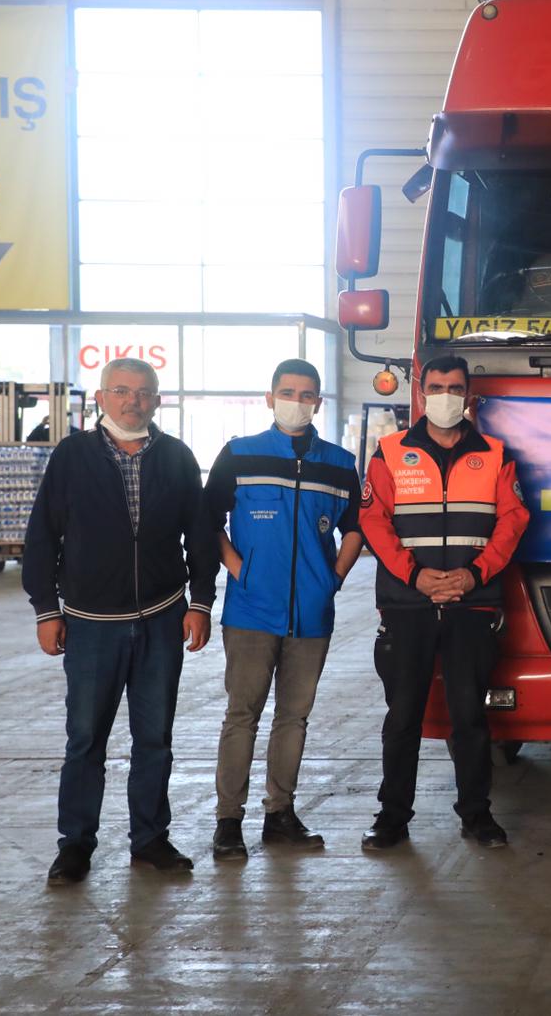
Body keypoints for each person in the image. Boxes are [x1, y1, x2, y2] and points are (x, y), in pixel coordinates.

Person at [23, 358, 216, 885]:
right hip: (91, 625)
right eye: (122, 390)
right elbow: (43, 536)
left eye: (144, 392)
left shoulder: (176, 457)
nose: (134, 401)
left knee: (154, 737)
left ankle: (150, 838)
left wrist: (200, 602)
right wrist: (46, 609)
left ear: (157, 400)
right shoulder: (72, 456)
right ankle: (75, 845)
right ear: (102, 398)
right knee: (85, 739)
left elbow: (199, 536)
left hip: (161, 617)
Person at [358, 355, 530, 851]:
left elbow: (513, 520)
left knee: (469, 718)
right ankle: (392, 817)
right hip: (407, 604)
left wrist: (474, 574)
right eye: (436, 387)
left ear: (468, 396)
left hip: (471, 604)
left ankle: (477, 815)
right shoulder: (390, 452)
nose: (445, 396)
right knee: (403, 717)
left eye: (455, 388)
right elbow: (373, 521)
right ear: (421, 393)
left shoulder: (495, 454)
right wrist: (416, 576)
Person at [199, 359, 364, 861]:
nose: (297, 401)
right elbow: (207, 519)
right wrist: (239, 569)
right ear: (269, 398)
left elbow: (356, 527)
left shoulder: (339, 463)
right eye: (288, 392)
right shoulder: (239, 455)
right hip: (251, 612)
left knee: (294, 718)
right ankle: (229, 821)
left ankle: (280, 815)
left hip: (311, 615)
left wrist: (333, 579)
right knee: (241, 715)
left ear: (318, 402)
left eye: (307, 394)